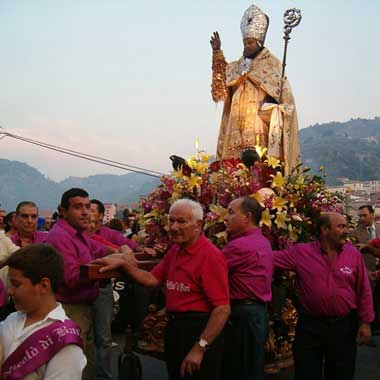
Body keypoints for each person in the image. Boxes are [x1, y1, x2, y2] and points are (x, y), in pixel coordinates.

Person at [94, 199, 230, 380]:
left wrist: (200, 347)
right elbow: (152, 279)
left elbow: (222, 309)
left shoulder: (211, 256)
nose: (173, 227)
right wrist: (124, 265)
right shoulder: (175, 250)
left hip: (198, 329)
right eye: (171, 220)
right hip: (175, 327)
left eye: (181, 221)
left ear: (198, 225)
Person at [274, 212, 374, 380]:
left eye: (346, 226)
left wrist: (366, 323)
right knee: (306, 372)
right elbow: (266, 258)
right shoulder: (301, 252)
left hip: (344, 327)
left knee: (341, 373)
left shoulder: (353, 255)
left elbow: (363, 289)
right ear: (325, 230)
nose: (346, 231)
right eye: (341, 226)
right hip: (310, 326)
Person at [210, 4, 300, 174]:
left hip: (259, 122)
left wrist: (274, 107)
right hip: (235, 123)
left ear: (259, 43)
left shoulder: (272, 65)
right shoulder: (238, 66)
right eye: (245, 43)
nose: (246, 46)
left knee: (258, 165)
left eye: (250, 43)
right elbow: (221, 87)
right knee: (233, 167)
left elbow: (284, 100)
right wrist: (217, 53)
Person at [46, 188, 112, 380]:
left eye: (87, 207)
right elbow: (72, 277)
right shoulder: (60, 236)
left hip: (83, 308)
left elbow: (99, 249)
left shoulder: (77, 234)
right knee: (73, 364)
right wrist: (107, 266)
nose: (85, 212)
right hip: (71, 309)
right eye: (78, 207)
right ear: (63, 211)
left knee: (84, 359)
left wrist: (122, 251)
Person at [0, 244, 86, 379]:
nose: (10, 291)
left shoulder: (65, 341)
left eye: (16, 284)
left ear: (44, 285)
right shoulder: (11, 319)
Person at [222, 197, 273, 380]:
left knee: (239, 369)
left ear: (247, 217)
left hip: (242, 316)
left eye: (231, 212)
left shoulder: (238, 246)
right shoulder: (263, 241)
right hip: (257, 314)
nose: (225, 218)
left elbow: (209, 271)